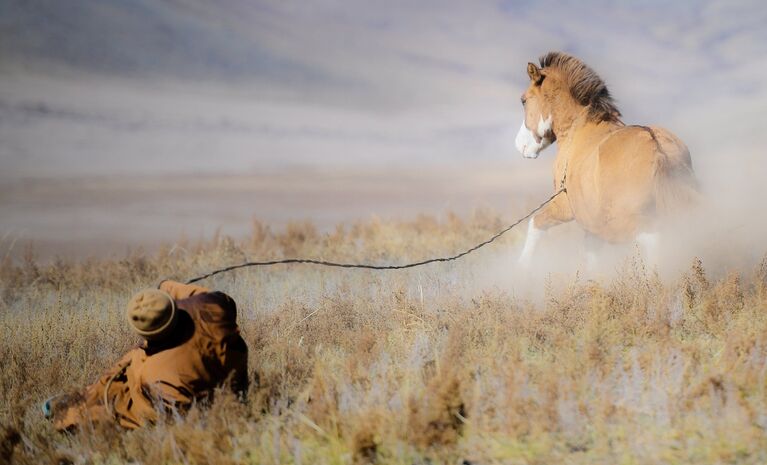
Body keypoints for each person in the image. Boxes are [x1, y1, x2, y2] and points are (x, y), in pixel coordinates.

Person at [44, 280, 249, 431]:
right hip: (231, 372)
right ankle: (77, 401)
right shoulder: (212, 304)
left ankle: (67, 416)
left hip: (208, 391)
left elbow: (175, 417)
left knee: (120, 403)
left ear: (147, 334)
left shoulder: (154, 372)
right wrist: (164, 287)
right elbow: (212, 297)